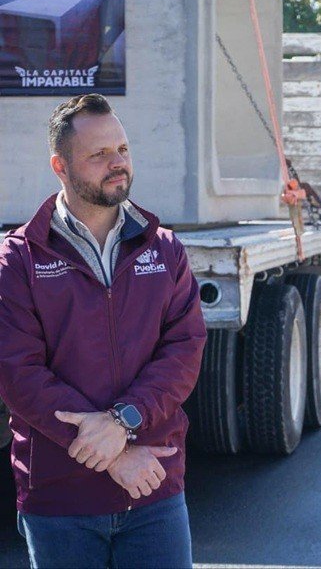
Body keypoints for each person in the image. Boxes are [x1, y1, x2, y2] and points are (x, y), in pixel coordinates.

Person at [0, 94, 207, 568]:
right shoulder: (20, 259)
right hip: (59, 501)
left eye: (123, 150)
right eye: (98, 154)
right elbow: (17, 372)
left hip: (153, 489)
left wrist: (123, 421)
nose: (118, 164)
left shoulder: (165, 250)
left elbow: (183, 351)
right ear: (60, 165)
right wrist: (115, 455)